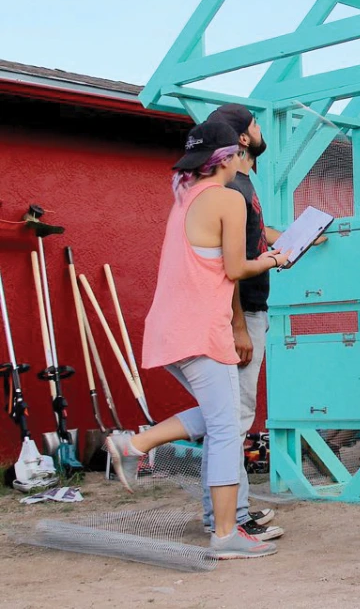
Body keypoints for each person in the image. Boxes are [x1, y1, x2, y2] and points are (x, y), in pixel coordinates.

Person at [102, 121, 286, 560]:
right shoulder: (227, 199)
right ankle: (225, 533)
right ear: (228, 157)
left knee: (218, 414)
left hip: (170, 330)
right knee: (226, 428)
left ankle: (134, 444)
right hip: (202, 330)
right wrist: (275, 259)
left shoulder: (185, 197)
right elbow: (236, 269)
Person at [203, 103, 283, 540]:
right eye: (254, 122)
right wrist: (236, 323)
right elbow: (227, 262)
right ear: (242, 138)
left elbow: (254, 237)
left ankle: (235, 511)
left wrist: (290, 237)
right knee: (232, 419)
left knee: (232, 418)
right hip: (243, 313)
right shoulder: (232, 185)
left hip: (252, 311)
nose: (259, 127)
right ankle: (230, 518)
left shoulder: (243, 184)